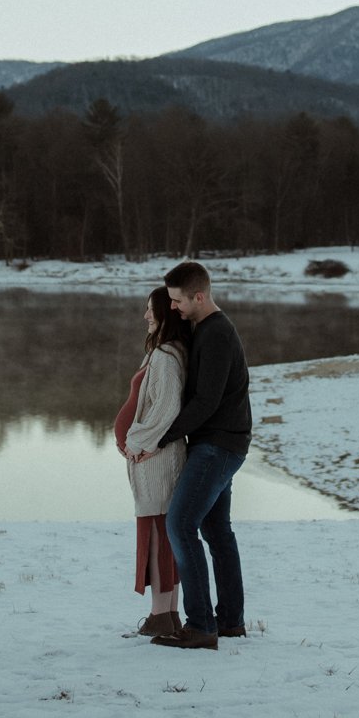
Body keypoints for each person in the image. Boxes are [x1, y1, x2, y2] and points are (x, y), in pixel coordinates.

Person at [131, 259, 251, 650]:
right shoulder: (205, 328)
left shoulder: (216, 333)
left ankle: (202, 626)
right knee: (216, 532)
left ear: (199, 296)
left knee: (180, 525)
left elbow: (206, 402)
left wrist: (161, 438)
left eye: (179, 301)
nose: (174, 308)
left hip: (217, 445)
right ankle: (230, 621)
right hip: (221, 443)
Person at [114, 285, 191, 637]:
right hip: (152, 457)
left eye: (150, 310)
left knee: (159, 535)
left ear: (163, 314)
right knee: (161, 532)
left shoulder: (165, 356)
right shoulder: (163, 352)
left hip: (156, 461)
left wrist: (137, 442)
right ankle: (168, 615)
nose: (145, 316)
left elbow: (165, 409)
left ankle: (162, 616)